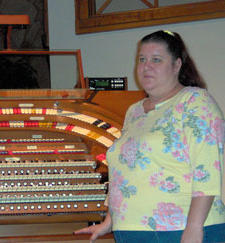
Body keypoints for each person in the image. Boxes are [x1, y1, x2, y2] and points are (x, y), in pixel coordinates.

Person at [75, 30, 225, 243]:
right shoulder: (134, 111)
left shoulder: (195, 101)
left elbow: (207, 170)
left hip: (179, 230)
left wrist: (194, 228)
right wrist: (110, 221)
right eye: (142, 59)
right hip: (131, 230)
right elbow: (125, 172)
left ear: (177, 65)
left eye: (156, 60)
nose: (146, 67)